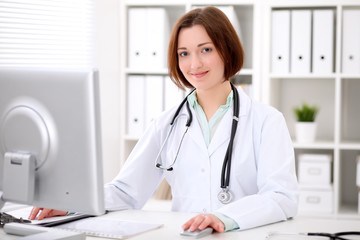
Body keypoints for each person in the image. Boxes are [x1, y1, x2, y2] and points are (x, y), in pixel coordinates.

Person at [29, 6, 298, 233]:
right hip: (186, 235)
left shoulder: (266, 121)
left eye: (205, 50)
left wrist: (225, 218)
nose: (194, 64)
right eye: (184, 53)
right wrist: (75, 203)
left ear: (226, 50)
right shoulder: (167, 123)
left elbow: (281, 197)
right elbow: (126, 192)